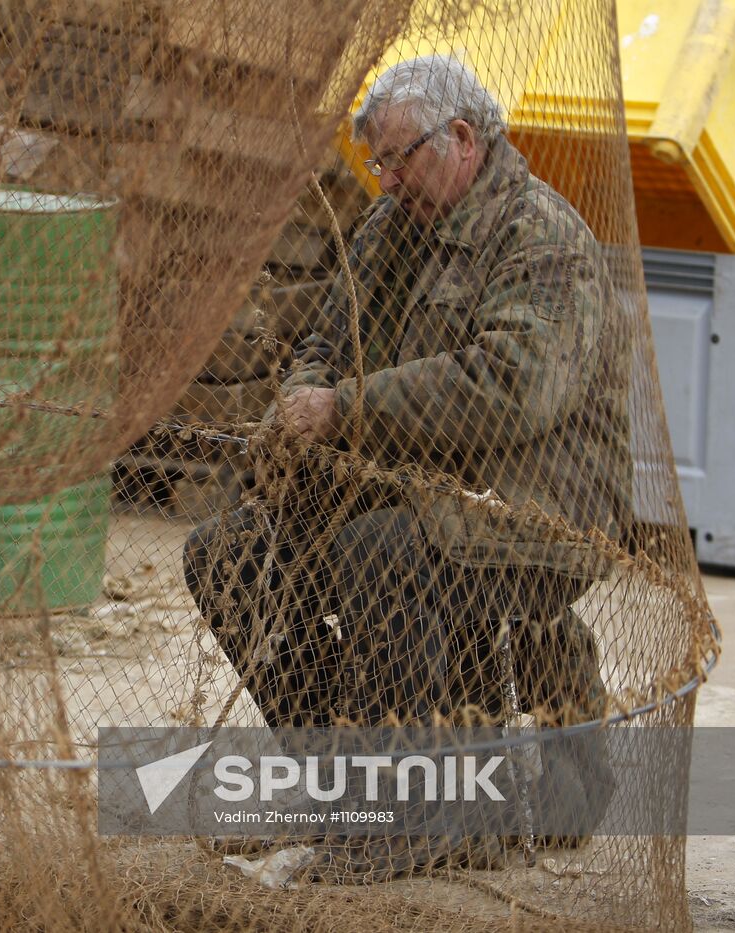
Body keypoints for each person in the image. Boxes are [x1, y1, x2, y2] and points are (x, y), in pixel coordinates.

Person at [184, 55, 629, 765]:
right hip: (410, 486)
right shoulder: (389, 228)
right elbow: (328, 340)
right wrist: (299, 404)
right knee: (226, 555)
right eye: (376, 163)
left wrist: (344, 408)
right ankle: (340, 770)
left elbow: (510, 385)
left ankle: (417, 806)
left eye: (398, 161)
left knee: (380, 553)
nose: (385, 182)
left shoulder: (540, 236)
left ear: (461, 138)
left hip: (533, 505)